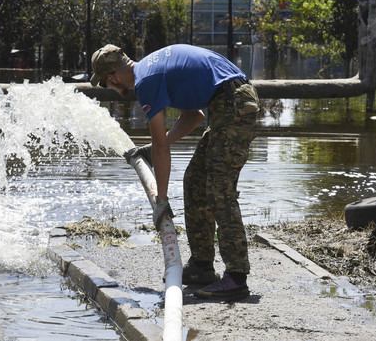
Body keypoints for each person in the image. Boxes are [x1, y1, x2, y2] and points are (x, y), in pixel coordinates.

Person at [90, 43, 260, 302]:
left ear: (112, 78)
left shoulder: (146, 81)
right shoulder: (151, 70)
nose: (109, 88)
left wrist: (161, 201)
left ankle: (236, 278)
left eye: (105, 84)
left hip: (232, 104)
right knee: (195, 180)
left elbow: (160, 148)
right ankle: (202, 266)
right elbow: (194, 117)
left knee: (219, 191)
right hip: (227, 102)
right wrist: (158, 146)